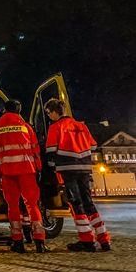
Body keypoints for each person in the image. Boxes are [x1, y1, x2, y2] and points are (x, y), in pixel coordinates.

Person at [44, 98, 111, 252]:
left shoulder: (56, 127)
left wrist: (53, 166)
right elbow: (93, 145)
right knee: (89, 203)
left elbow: (50, 150)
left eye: (49, 114)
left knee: (76, 204)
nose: (49, 117)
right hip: (85, 169)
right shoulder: (82, 126)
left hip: (68, 170)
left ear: (54, 112)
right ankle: (104, 240)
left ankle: (87, 241)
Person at [0, 99, 47, 253]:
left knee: (13, 207)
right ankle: (40, 241)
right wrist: (38, 169)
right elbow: (35, 151)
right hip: (27, 170)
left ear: (4, 110)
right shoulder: (26, 127)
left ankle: (18, 242)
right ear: (19, 111)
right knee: (32, 205)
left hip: (7, 173)